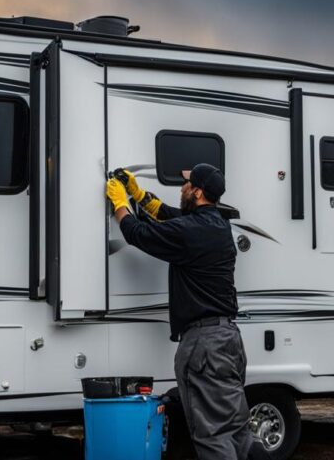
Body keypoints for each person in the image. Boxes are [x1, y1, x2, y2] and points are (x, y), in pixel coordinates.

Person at [105, 163, 258, 460]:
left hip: (204, 347)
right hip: (229, 341)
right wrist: (139, 194)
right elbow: (171, 217)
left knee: (212, 435)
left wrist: (121, 203)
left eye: (187, 185)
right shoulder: (217, 225)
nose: (182, 188)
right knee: (237, 430)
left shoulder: (190, 231)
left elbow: (138, 233)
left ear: (197, 192)